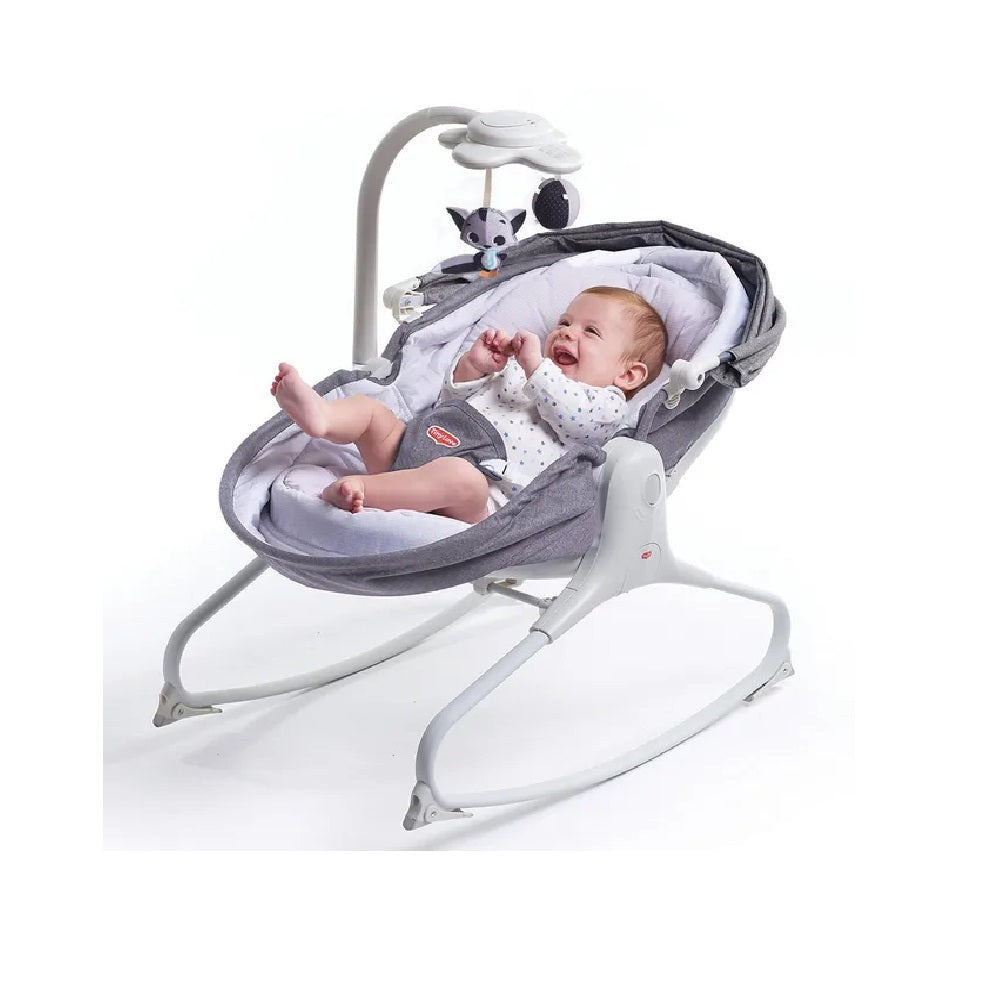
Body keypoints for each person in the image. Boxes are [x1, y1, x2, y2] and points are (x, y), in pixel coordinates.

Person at [271, 286, 668, 524]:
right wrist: (473, 368)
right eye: (564, 323)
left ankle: (362, 490)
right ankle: (322, 417)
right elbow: (453, 407)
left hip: (477, 496)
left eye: (590, 331)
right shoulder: (519, 372)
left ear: (628, 375)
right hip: (421, 448)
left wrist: (536, 365)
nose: (566, 333)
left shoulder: (605, 405)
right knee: (373, 413)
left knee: (460, 477)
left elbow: (571, 418)